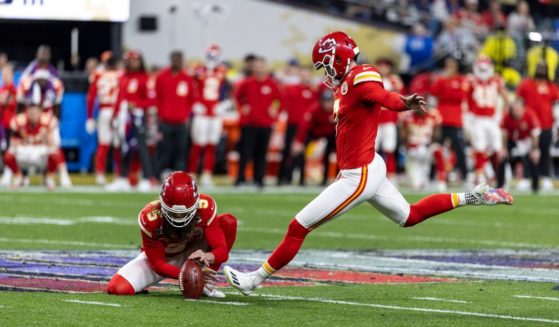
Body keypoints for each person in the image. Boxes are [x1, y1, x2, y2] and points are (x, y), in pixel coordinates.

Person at [223, 31, 513, 296]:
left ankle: (254, 280)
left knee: (298, 227)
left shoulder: (361, 75)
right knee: (409, 216)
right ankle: (473, 196)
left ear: (339, 59)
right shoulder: (345, 83)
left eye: (326, 64)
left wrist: (403, 102)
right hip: (367, 167)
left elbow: (381, 96)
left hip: (359, 174)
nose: (325, 71)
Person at [107, 171, 237, 298]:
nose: (179, 218)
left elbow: (222, 252)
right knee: (117, 287)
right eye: (173, 213)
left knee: (228, 221)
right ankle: (199, 279)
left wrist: (208, 256)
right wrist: (186, 275)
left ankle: (207, 283)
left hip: (194, 252)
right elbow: (158, 264)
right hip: (165, 258)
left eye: (184, 213)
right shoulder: (150, 217)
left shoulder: (205, 207)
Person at [108, 51, 157, 192]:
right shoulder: (123, 77)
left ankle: (148, 178)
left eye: (136, 60)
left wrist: (137, 104)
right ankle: (123, 178)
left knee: (142, 147)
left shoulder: (145, 78)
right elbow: (120, 97)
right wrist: (115, 115)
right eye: (131, 60)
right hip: (124, 117)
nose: (133, 63)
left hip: (138, 117)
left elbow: (152, 99)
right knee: (124, 148)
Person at [234, 57, 282, 188]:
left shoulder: (272, 84)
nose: (259, 69)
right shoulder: (246, 83)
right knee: (245, 153)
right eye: (257, 66)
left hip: (265, 124)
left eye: (261, 66)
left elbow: (278, 100)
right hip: (249, 124)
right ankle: (240, 179)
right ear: (253, 68)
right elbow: (237, 97)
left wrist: (274, 109)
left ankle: (259, 180)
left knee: (261, 153)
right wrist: (243, 107)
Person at [464, 55, 509, 184]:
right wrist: (467, 120)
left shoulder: (496, 80)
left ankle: (499, 176)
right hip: (476, 119)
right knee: (480, 147)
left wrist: (502, 115)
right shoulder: (471, 81)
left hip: (491, 119)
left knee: (497, 147)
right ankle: (481, 176)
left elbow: (506, 98)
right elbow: (464, 100)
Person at [188, 44, 229, 186]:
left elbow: (225, 90)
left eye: (215, 54)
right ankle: (192, 173)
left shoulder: (222, 70)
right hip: (202, 113)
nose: (213, 57)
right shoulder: (198, 69)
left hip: (215, 114)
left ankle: (207, 174)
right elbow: (191, 88)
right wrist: (194, 103)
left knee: (212, 144)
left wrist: (224, 104)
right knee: (197, 144)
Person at [516, 62, 558, 191]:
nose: (541, 70)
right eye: (539, 67)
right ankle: (526, 177)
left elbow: (556, 106)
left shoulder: (552, 87)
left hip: (546, 124)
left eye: (543, 68)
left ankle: (545, 177)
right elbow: (518, 103)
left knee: (545, 152)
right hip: (529, 126)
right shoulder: (526, 84)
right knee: (528, 152)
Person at [0, 101, 60, 189]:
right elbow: (12, 142)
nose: (33, 115)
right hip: (25, 151)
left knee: (55, 152)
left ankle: (49, 177)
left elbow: (52, 143)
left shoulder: (48, 121)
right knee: (9, 154)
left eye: (35, 112)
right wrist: (23, 141)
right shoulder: (19, 121)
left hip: (40, 151)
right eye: (30, 112)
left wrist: (44, 138)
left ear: (40, 112)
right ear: (26, 112)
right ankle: (18, 176)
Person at [155, 51, 195, 178]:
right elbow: (157, 98)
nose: (177, 62)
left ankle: (180, 178)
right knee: (164, 150)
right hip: (165, 121)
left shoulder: (187, 78)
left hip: (181, 122)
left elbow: (191, 99)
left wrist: (186, 115)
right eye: (175, 59)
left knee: (181, 151)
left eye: (179, 60)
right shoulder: (162, 77)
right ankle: (157, 175)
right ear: (171, 60)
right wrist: (159, 115)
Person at [429, 56, 468, 182]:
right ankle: (431, 175)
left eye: (452, 64)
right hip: (441, 119)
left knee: (459, 149)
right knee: (436, 148)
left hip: (455, 120)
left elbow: (460, 96)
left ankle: (465, 175)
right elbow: (433, 91)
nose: (449, 66)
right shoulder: (441, 79)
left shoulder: (461, 79)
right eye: (448, 64)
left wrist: (446, 91)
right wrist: (445, 83)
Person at [277, 66, 317, 185]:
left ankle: (301, 179)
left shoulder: (313, 92)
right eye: (302, 74)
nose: (304, 77)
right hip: (292, 125)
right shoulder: (291, 89)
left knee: (303, 154)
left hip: (307, 127)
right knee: (287, 151)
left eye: (306, 74)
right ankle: (283, 178)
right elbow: (282, 104)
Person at [86, 55, 122, 185]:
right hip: (118, 111)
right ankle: (119, 174)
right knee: (118, 144)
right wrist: (118, 113)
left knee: (103, 144)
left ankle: (100, 173)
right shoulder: (121, 75)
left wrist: (89, 117)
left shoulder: (98, 75)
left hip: (104, 110)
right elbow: (123, 95)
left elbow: (91, 97)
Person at [291, 86, 336, 186]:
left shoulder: (337, 110)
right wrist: (299, 141)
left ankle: (330, 179)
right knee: (301, 152)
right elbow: (304, 126)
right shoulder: (314, 110)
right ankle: (301, 179)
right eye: (324, 101)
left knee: (336, 154)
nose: (326, 104)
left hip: (330, 135)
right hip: (315, 134)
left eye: (329, 101)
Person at [498, 98, 541, 192]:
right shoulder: (507, 116)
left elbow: (535, 134)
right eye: (514, 109)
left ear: (523, 108)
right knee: (502, 157)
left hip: (527, 140)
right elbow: (504, 134)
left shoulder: (530, 115)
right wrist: (504, 148)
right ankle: (500, 185)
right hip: (512, 141)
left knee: (534, 158)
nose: (516, 111)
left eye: (518, 109)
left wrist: (534, 149)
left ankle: (535, 186)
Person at [402, 108, 446, 191]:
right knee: (418, 185)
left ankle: (441, 181)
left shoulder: (432, 115)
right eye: (417, 105)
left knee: (438, 150)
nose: (420, 107)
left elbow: (437, 133)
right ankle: (419, 178)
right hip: (413, 151)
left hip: (427, 148)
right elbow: (403, 134)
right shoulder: (408, 116)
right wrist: (407, 146)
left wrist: (432, 140)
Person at [375, 58, 403, 182]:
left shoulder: (394, 80)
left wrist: (399, 116)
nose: (383, 69)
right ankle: (374, 176)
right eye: (380, 66)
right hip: (375, 119)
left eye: (385, 66)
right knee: (373, 150)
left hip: (389, 119)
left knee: (389, 149)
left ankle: (391, 175)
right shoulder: (373, 79)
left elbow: (401, 98)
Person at [0, 64, 17, 153]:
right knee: (3, 150)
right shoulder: (1, 90)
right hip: (2, 125)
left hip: (12, 125)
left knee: (11, 150)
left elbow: (9, 102)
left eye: (7, 74)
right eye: (3, 75)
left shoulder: (15, 90)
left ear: (12, 75)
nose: (5, 77)